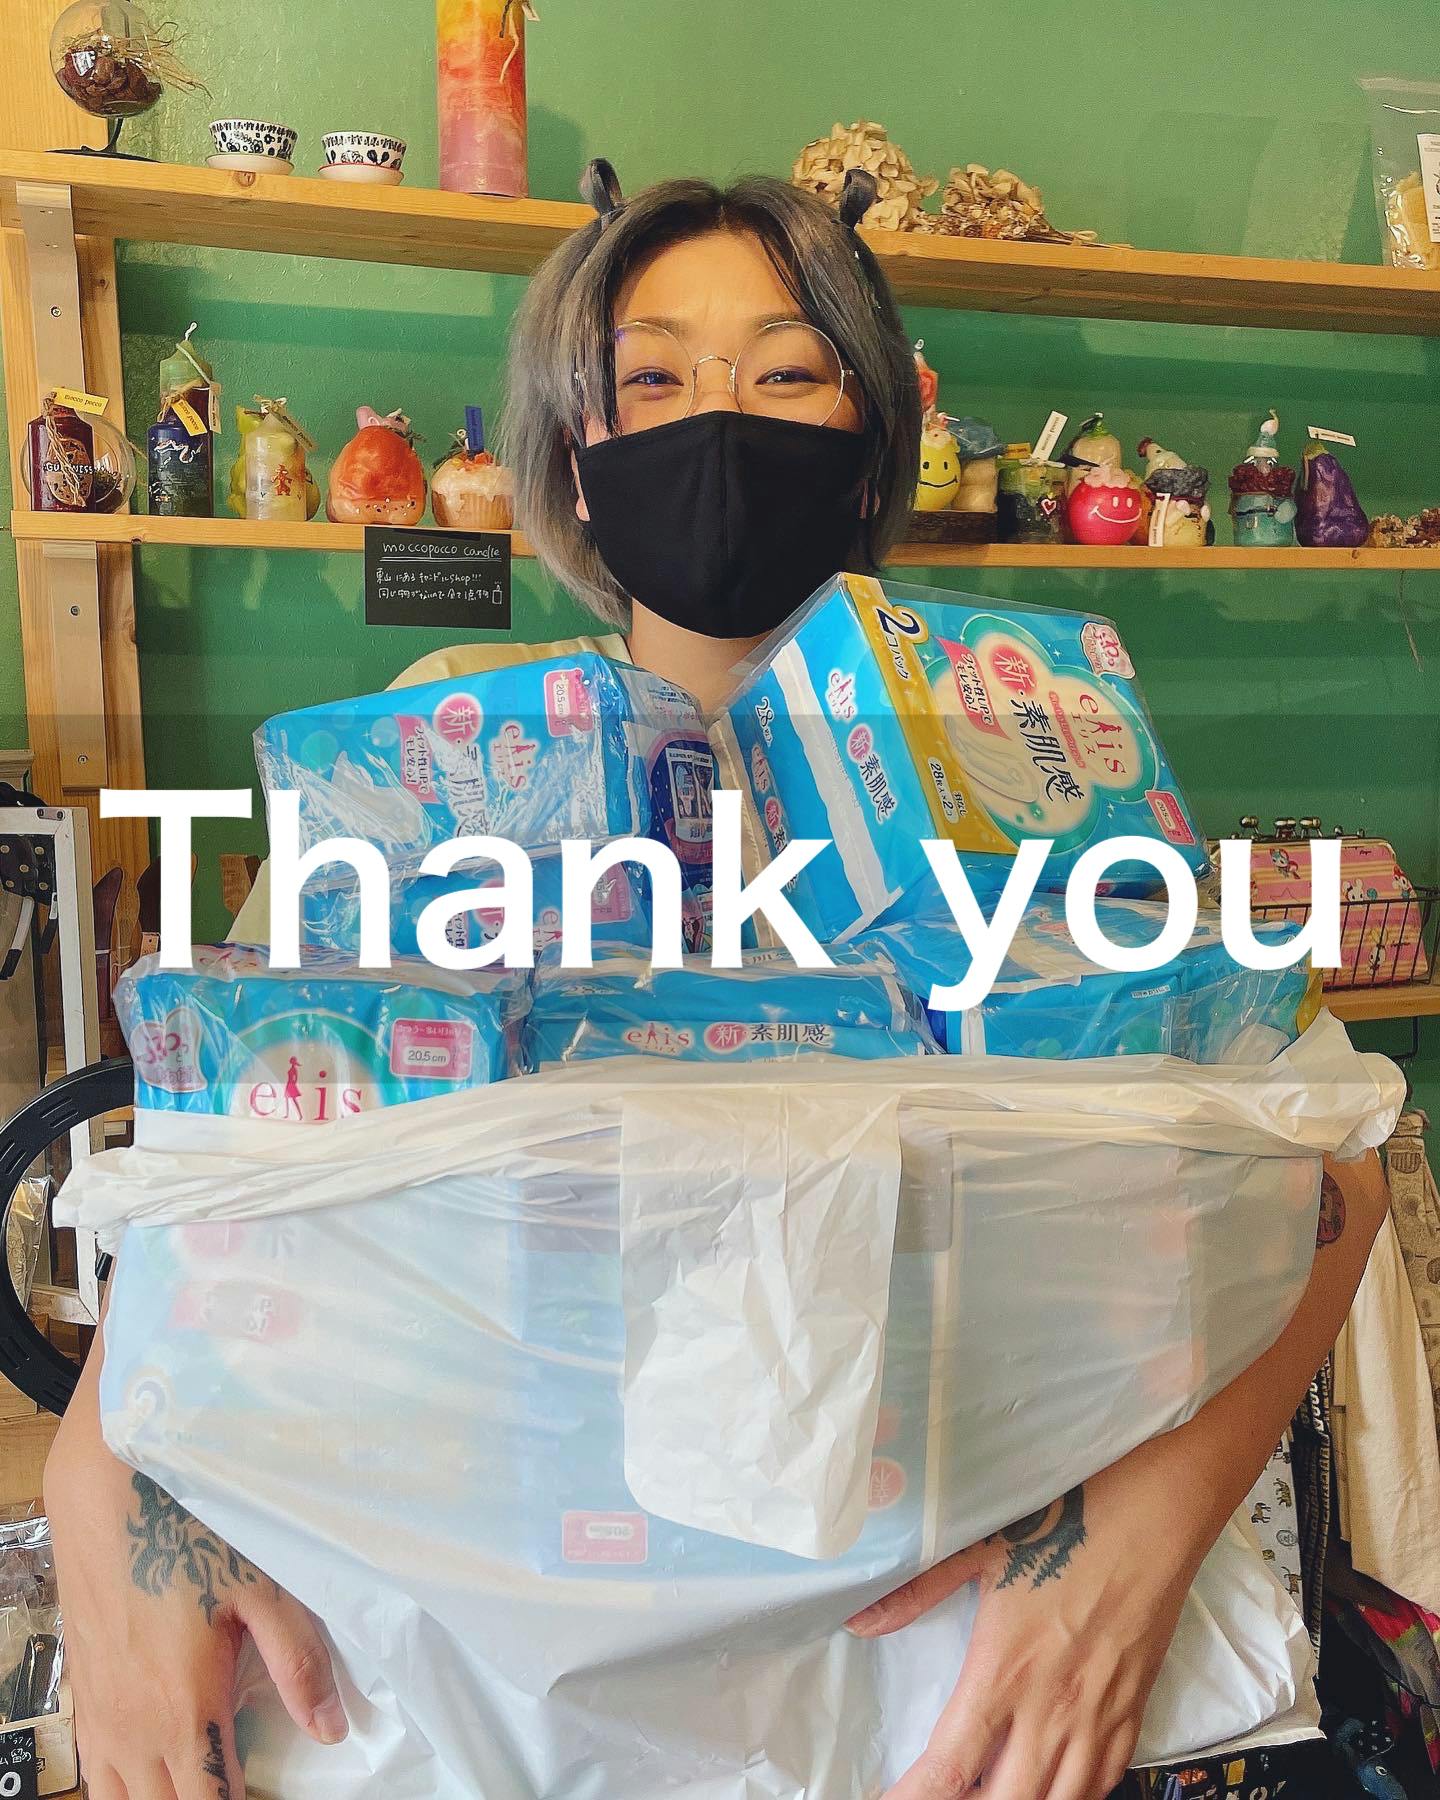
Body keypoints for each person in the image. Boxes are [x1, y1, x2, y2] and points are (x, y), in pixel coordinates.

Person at [44, 161, 1392, 1800]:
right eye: (655, 381)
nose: (722, 423)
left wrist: (1133, 1550)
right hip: (506, 1663)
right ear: (579, 459)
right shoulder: (450, 740)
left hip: (935, 1670)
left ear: (875, 439)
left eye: (787, 372)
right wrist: (98, 1486)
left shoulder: (1011, 736)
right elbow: (244, 1134)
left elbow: (1329, 1158)